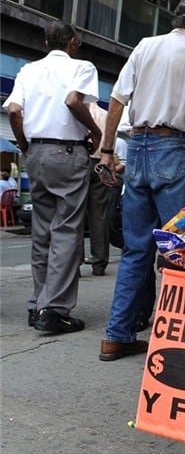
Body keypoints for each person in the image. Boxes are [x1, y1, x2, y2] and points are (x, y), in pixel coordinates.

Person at [95, 0, 185, 361]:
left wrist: (108, 151)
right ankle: (180, 340)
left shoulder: (145, 45)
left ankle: (116, 334)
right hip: (174, 146)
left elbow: (117, 100)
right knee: (182, 248)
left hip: (137, 148)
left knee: (137, 249)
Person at [2, 20, 102, 334]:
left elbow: (15, 111)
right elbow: (73, 101)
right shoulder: (83, 66)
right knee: (67, 231)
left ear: (47, 42)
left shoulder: (28, 70)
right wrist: (96, 132)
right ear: (72, 42)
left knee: (42, 231)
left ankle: (37, 303)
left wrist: (23, 145)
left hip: (37, 153)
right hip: (68, 152)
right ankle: (54, 309)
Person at [83, 103, 113, 276]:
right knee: (99, 215)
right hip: (102, 162)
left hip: (81, 161)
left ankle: (75, 261)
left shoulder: (81, 112)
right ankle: (99, 263)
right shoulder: (106, 115)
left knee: (75, 214)